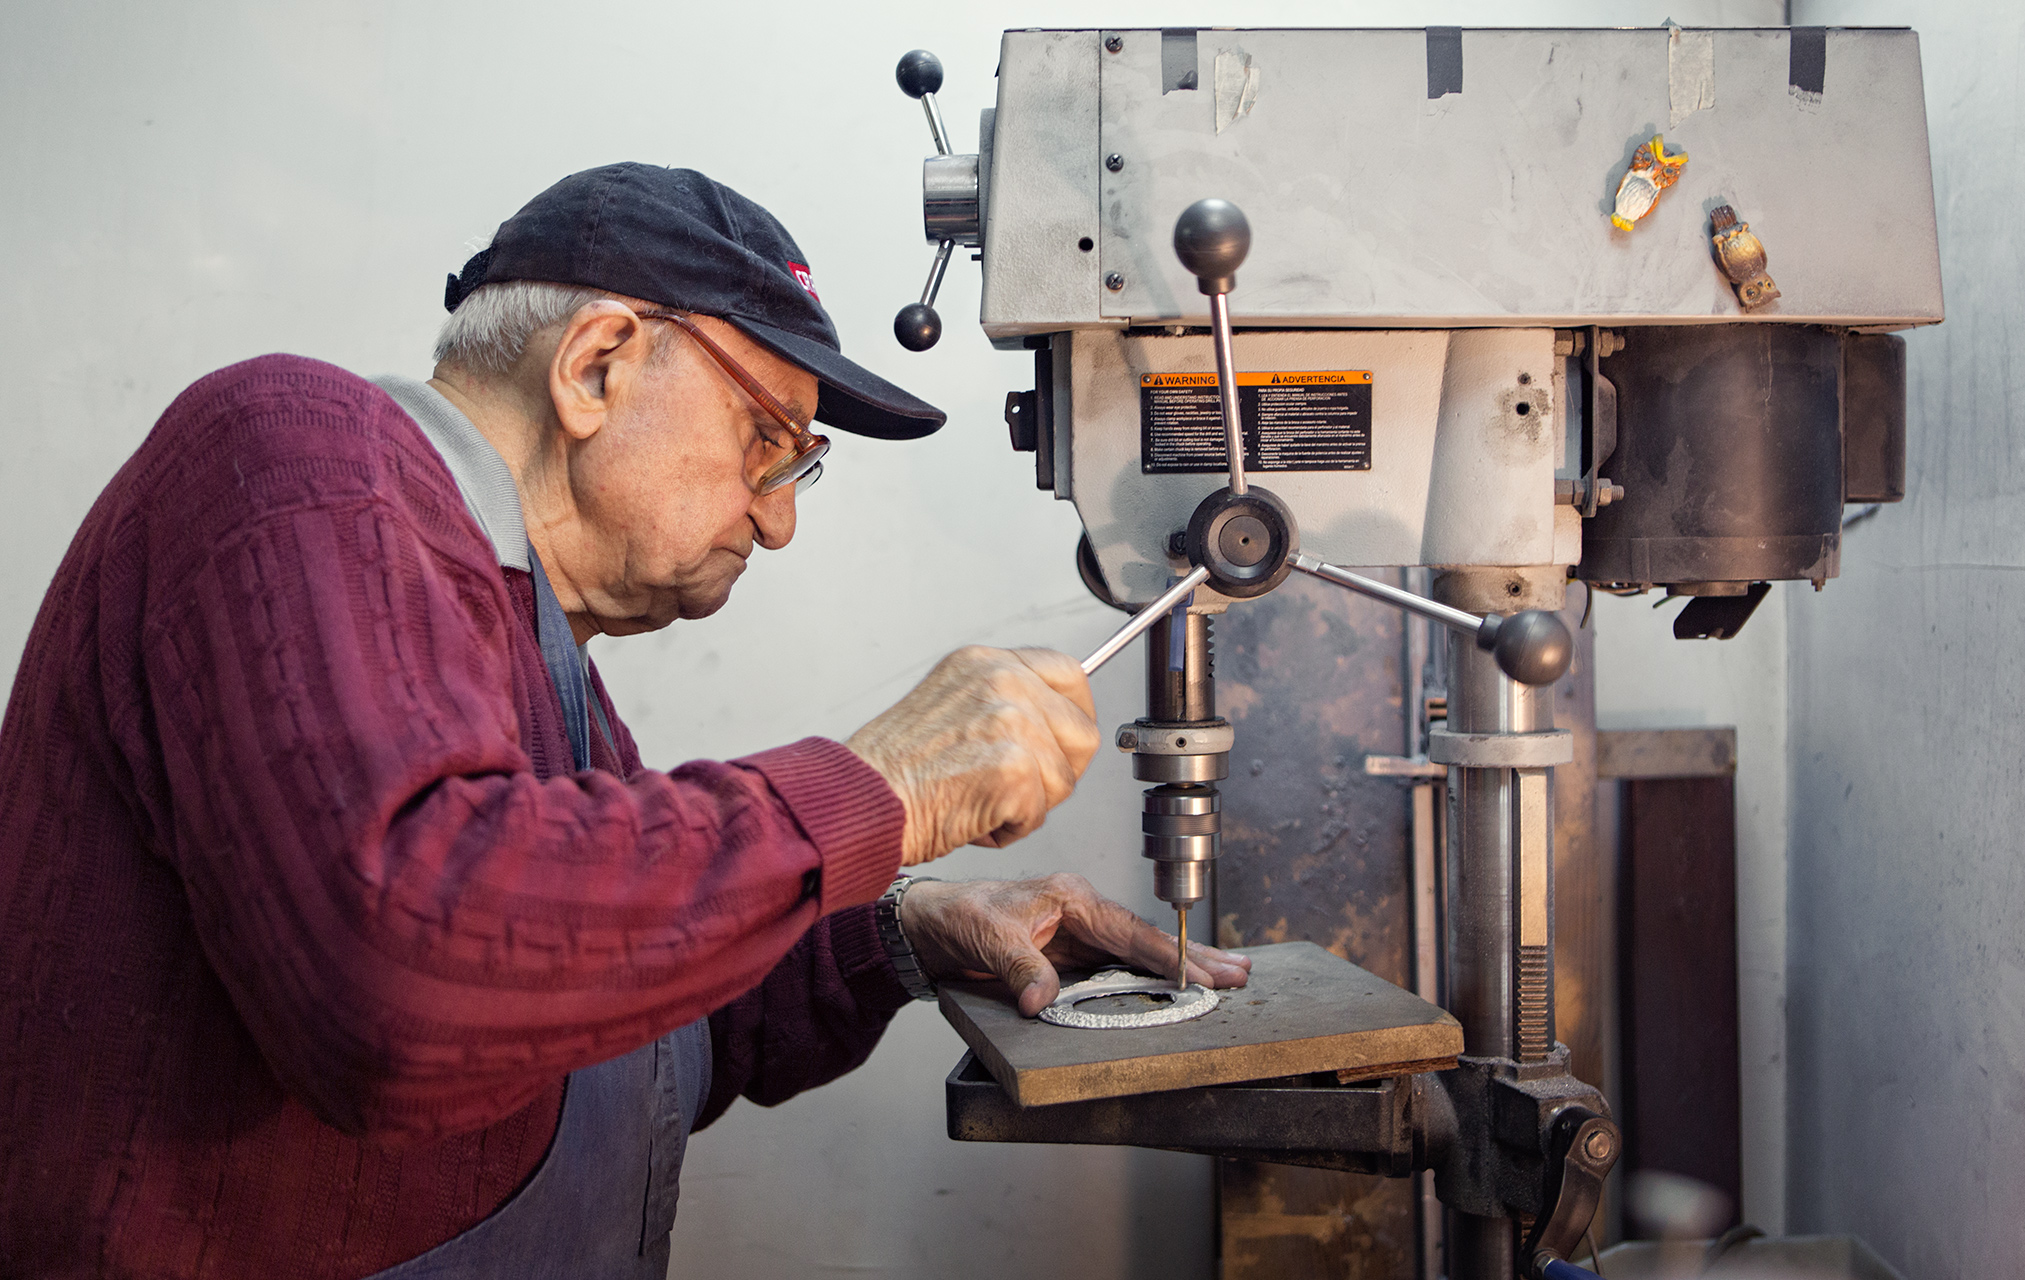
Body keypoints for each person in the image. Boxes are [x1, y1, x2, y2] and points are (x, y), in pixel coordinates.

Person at [0, 163, 1250, 1279]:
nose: (777, 520)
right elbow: (400, 988)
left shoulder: (541, 658)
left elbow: (619, 1027)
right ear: (597, 363)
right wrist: (885, 786)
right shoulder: (291, 451)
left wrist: (902, 932)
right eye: (767, 444)